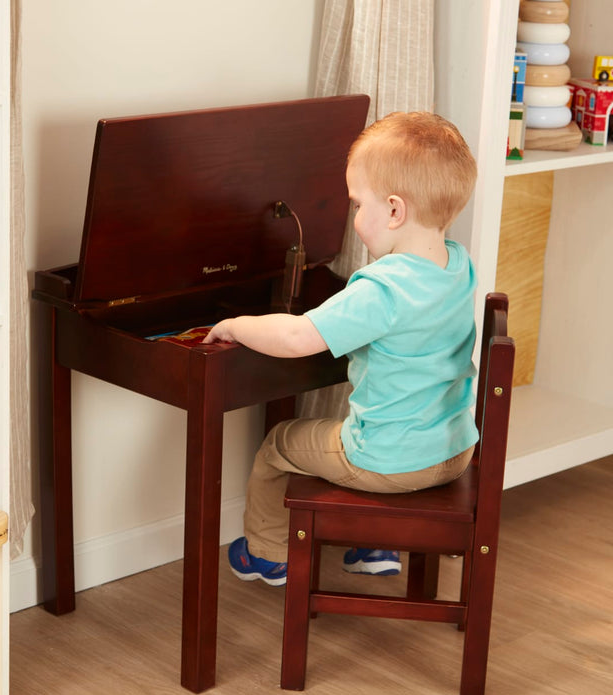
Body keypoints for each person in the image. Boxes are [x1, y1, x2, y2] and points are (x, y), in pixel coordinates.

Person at [202, 111, 479, 586]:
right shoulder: (457, 264)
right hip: (454, 449)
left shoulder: (382, 288)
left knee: (279, 444)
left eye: (356, 204)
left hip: (392, 461)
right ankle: (375, 543)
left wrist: (237, 324)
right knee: (357, 427)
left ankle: (266, 553)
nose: (353, 216)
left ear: (394, 211)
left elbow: (298, 337)